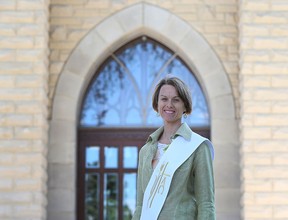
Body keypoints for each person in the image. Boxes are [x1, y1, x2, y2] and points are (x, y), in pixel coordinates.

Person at [132, 75, 215, 220]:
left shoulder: (198, 147)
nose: (169, 104)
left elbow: (206, 203)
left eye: (176, 100)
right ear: (157, 104)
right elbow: (140, 205)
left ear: (185, 105)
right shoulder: (145, 151)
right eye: (164, 99)